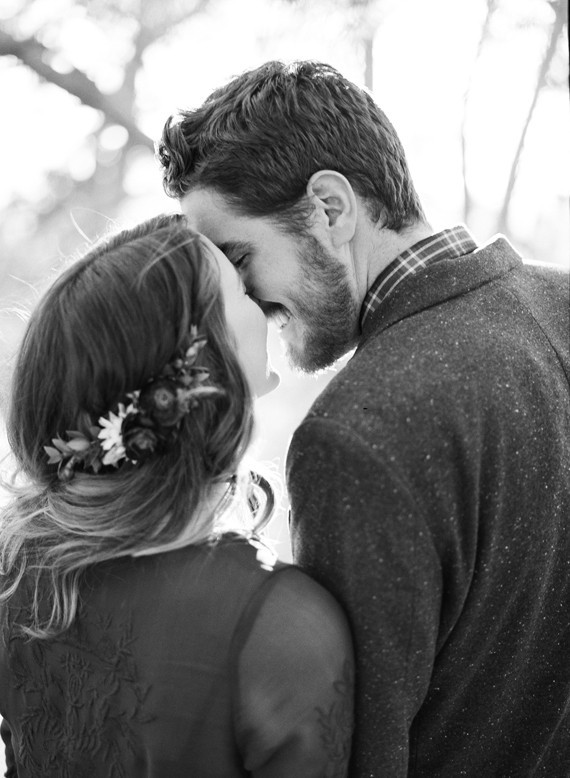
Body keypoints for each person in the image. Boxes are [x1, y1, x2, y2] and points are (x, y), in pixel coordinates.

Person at [157, 60, 570, 776]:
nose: (242, 304)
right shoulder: (562, 305)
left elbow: (356, 756)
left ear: (329, 207)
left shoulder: (355, 434)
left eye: (239, 258)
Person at [0, 213, 355, 778]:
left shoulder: (18, 576)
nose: (264, 301)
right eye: (240, 285)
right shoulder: (281, 626)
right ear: (203, 369)